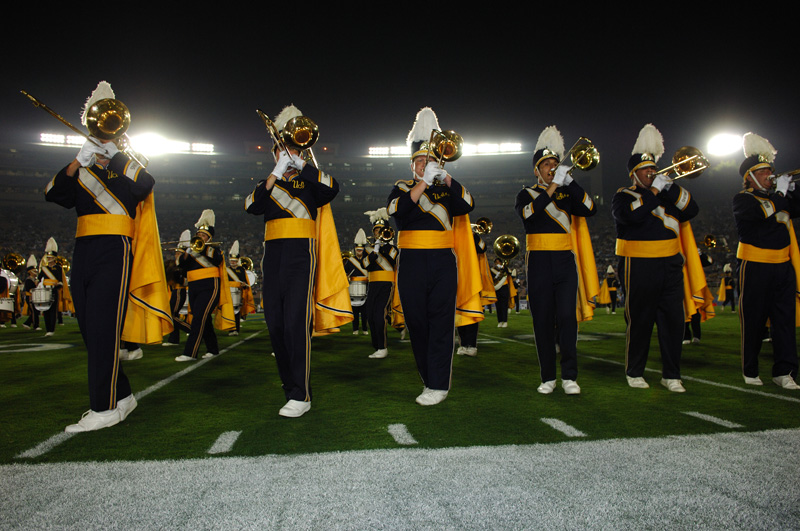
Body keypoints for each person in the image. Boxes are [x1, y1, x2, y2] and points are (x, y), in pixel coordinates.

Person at [44, 81, 159, 432]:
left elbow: (145, 184)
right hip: (84, 249)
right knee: (90, 330)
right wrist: (78, 159)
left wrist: (115, 154)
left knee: (105, 327)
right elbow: (53, 194)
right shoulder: (81, 168)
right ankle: (122, 396)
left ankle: (104, 408)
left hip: (115, 248)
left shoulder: (128, 163)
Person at [245, 104, 342, 418]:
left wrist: (301, 163)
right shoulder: (267, 185)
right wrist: (275, 172)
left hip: (302, 256)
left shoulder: (309, 184)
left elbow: (332, 188)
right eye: (281, 151)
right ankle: (291, 389)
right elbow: (252, 206)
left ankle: (301, 394)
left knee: (296, 324)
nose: (284, 155)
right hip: (272, 258)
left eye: (289, 150)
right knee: (275, 325)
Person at [387, 107, 478, 406]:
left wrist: (447, 178)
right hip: (411, 261)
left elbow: (468, 204)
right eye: (419, 161)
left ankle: (439, 384)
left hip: (442, 260)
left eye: (428, 161)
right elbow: (398, 214)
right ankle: (428, 379)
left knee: (441, 321)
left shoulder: (445, 189)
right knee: (417, 322)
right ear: (412, 164)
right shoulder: (402, 188)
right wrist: (424, 183)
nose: (424, 164)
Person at [612, 124, 698, 393]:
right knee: (640, 321)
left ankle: (671, 374)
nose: (651, 172)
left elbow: (691, 209)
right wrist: (654, 192)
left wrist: (669, 188)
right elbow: (632, 216)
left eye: (653, 168)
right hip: (639, 266)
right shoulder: (623, 196)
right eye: (645, 170)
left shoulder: (667, 193)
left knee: (673, 321)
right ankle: (635, 371)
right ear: (633, 174)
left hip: (671, 265)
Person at [514, 125, 598, 395]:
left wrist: (570, 182)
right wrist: (552, 187)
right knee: (542, 319)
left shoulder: (567, 192)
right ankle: (548, 376)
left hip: (564, 259)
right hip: (538, 261)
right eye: (545, 164)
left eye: (554, 164)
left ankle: (570, 376)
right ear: (536, 170)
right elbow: (530, 215)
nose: (551, 167)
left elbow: (590, 208)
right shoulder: (526, 193)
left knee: (566, 317)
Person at [733, 132, 800, 389]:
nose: (769, 175)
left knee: (784, 320)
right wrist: (782, 195)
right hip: (756, 266)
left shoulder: (781, 198)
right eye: (762, 171)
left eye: (770, 170)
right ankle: (750, 370)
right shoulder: (744, 199)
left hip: (783, 266)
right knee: (754, 320)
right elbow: (763, 213)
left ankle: (784, 371)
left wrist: (793, 190)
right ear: (749, 177)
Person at [173, 210, 224, 361]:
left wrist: (203, 248)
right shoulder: (191, 250)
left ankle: (190, 352)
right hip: (194, 288)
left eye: (204, 236)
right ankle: (213, 349)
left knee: (199, 319)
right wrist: (187, 252)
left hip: (210, 287)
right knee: (203, 318)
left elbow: (218, 260)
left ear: (209, 238)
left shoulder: (213, 249)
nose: (200, 237)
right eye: (199, 235)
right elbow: (179, 264)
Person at [363, 208, 398, 359]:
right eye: (376, 231)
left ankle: (383, 348)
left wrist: (383, 247)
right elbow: (366, 265)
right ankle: (376, 346)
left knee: (379, 314)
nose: (378, 233)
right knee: (370, 315)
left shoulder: (392, 248)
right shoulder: (370, 249)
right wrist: (375, 251)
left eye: (381, 230)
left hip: (386, 284)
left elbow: (393, 260)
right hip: (373, 284)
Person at [162, 230, 190, 346]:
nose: (176, 255)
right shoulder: (175, 265)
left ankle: (192, 330)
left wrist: (178, 276)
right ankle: (174, 339)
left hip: (180, 291)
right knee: (174, 315)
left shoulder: (185, 266)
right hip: (175, 291)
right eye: (176, 253)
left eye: (179, 253)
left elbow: (186, 281)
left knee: (172, 315)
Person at [38, 238, 66, 337]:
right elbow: (39, 278)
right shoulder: (44, 268)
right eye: (48, 257)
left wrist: (57, 285)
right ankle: (47, 329)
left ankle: (51, 329)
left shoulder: (58, 268)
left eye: (50, 257)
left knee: (53, 310)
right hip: (45, 290)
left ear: (54, 257)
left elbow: (61, 281)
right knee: (46, 310)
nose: (49, 259)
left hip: (53, 291)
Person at [343, 229, 369, 335]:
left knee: (364, 312)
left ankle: (365, 329)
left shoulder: (367, 260)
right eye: (358, 250)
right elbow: (344, 273)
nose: (359, 252)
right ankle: (355, 329)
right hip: (353, 288)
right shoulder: (350, 261)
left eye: (361, 250)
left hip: (365, 288)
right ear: (355, 250)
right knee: (354, 311)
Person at [491, 257, 511, 327]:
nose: (497, 263)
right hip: (497, 289)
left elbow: (509, 273)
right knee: (498, 306)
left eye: (498, 262)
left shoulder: (504, 268)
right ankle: (499, 321)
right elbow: (492, 279)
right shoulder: (492, 270)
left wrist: (503, 267)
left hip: (504, 288)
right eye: (496, 262)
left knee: (504, 306)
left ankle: (505, 321)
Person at [21, 255, 40, 330]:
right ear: (30, 272)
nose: (36, 272)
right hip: (30, 298)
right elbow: (30, 289)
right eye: (34, 271)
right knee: (34, 312)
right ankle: (36, 326)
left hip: (34, 297)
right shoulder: (29, 280)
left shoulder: (34, 279)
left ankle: (27, 323)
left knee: (35, 312)